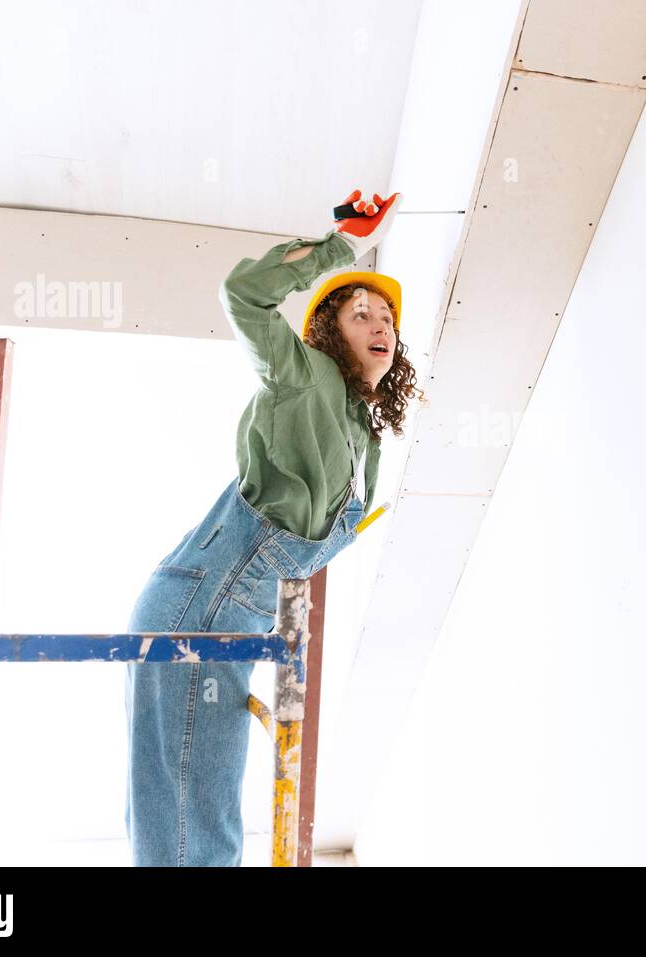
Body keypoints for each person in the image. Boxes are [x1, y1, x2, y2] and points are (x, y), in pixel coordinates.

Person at [123, 188, 425, 866]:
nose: (380, 324)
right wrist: (340, 244)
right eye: (360, 313)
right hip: (197, 609)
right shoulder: (306, 377)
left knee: (196, 813)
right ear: (327, 332)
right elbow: (243, 294)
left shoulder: (361, 436)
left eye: (387, 317)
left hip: (230, 620)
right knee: (189, 826)